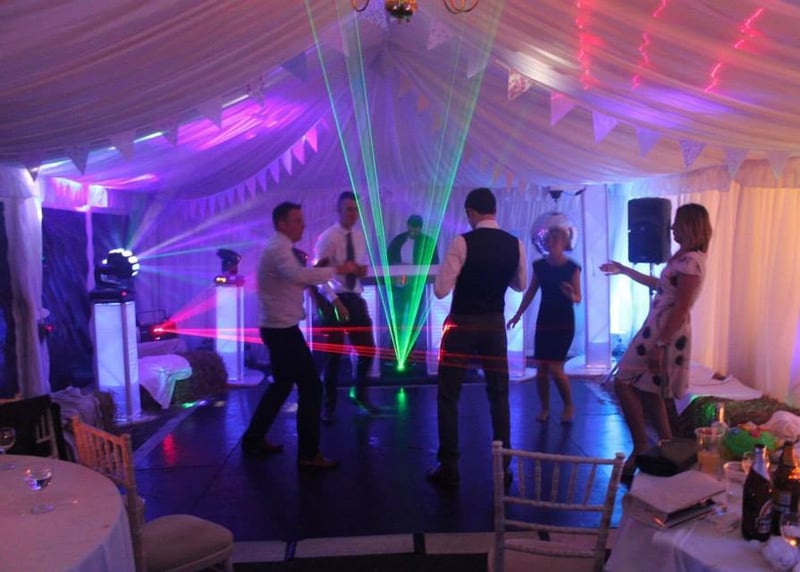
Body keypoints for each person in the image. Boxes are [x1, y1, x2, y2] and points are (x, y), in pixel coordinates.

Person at [241, 201, 359, 471]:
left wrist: (324, 272)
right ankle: (308, 453)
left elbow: (299, 277)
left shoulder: (280, 247)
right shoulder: (278, 248)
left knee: (282, 385)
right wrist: (338, 269)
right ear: (281, 223)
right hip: (282, 330)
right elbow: (297, 275)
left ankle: (253, 439)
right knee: (311, 386)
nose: (303, 225)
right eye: (296, 221)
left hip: (279, 328)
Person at [600, 203, 712, 482]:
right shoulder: (684, 259)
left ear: (690, 226)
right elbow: (661, 287)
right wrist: (625, 270)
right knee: (650, 391)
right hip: (657, 328)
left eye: (677, 223)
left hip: (664, 332)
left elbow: (681, 307)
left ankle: (642, 445)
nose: (672, 228)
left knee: (623, 381)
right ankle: (666, 447)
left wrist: (661, 344)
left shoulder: (691, 262)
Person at [427, 188, 527, 487]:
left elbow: (441, 290)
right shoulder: (514, 244)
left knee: (449, 395)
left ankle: (449, 466)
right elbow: (520, 284)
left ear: (471, 212)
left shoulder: (462, 242)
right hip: (494, 325)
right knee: (499, 395)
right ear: (494, 210)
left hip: (462, 323)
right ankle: (503, 467)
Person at [314, 191, 378, 422]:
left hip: (355, 296)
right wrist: (335, 301)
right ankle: (329, 406)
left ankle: (359, 394)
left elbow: (360, 267)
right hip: (335, 299)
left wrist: (359, 270)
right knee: (334, 356)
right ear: (339, 210)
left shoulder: (359, 237)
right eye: (349, 209)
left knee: (367, 350)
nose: (353, 214)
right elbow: (319, 274)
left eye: (356, 210)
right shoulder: (328, 237)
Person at [507, 226, 581, 423]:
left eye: (557, 240)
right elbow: (531, 292)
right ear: (545, 243)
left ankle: (568, 405)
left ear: (564, 244)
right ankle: (545, 408)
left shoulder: (572, 268)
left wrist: (570, 294)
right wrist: (517, 315)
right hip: (545, 320)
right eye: (550, 240)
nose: (553, 244)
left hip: (564, 321)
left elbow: (578, 298)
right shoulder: (539, 266)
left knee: (556, 369)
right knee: (541, 369)